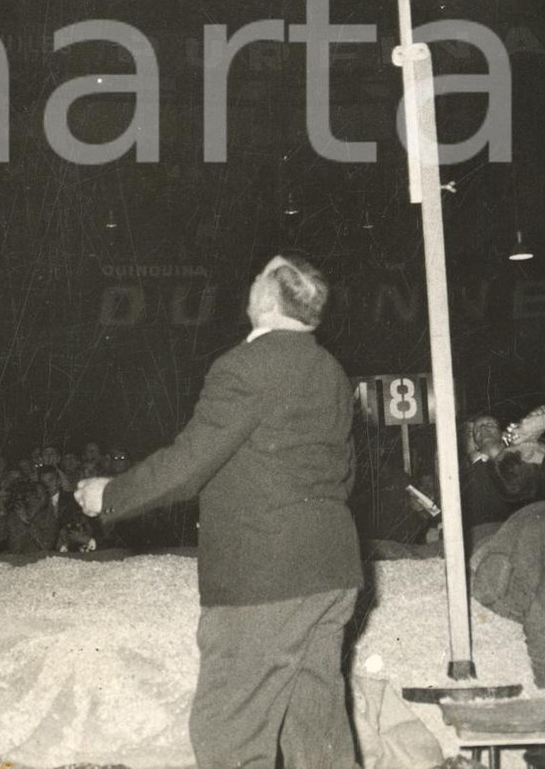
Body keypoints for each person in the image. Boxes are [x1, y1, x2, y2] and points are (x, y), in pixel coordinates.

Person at [76, 254, 362, 769]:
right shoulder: (330, 370)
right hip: (332, 570)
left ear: (267, 299)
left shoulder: (246, 365)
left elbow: (190, 461)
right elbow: (344, 473)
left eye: (256, 277)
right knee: (317, 737)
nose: (250, 282)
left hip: (264, 579)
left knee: (228, 735)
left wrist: (111, 494)